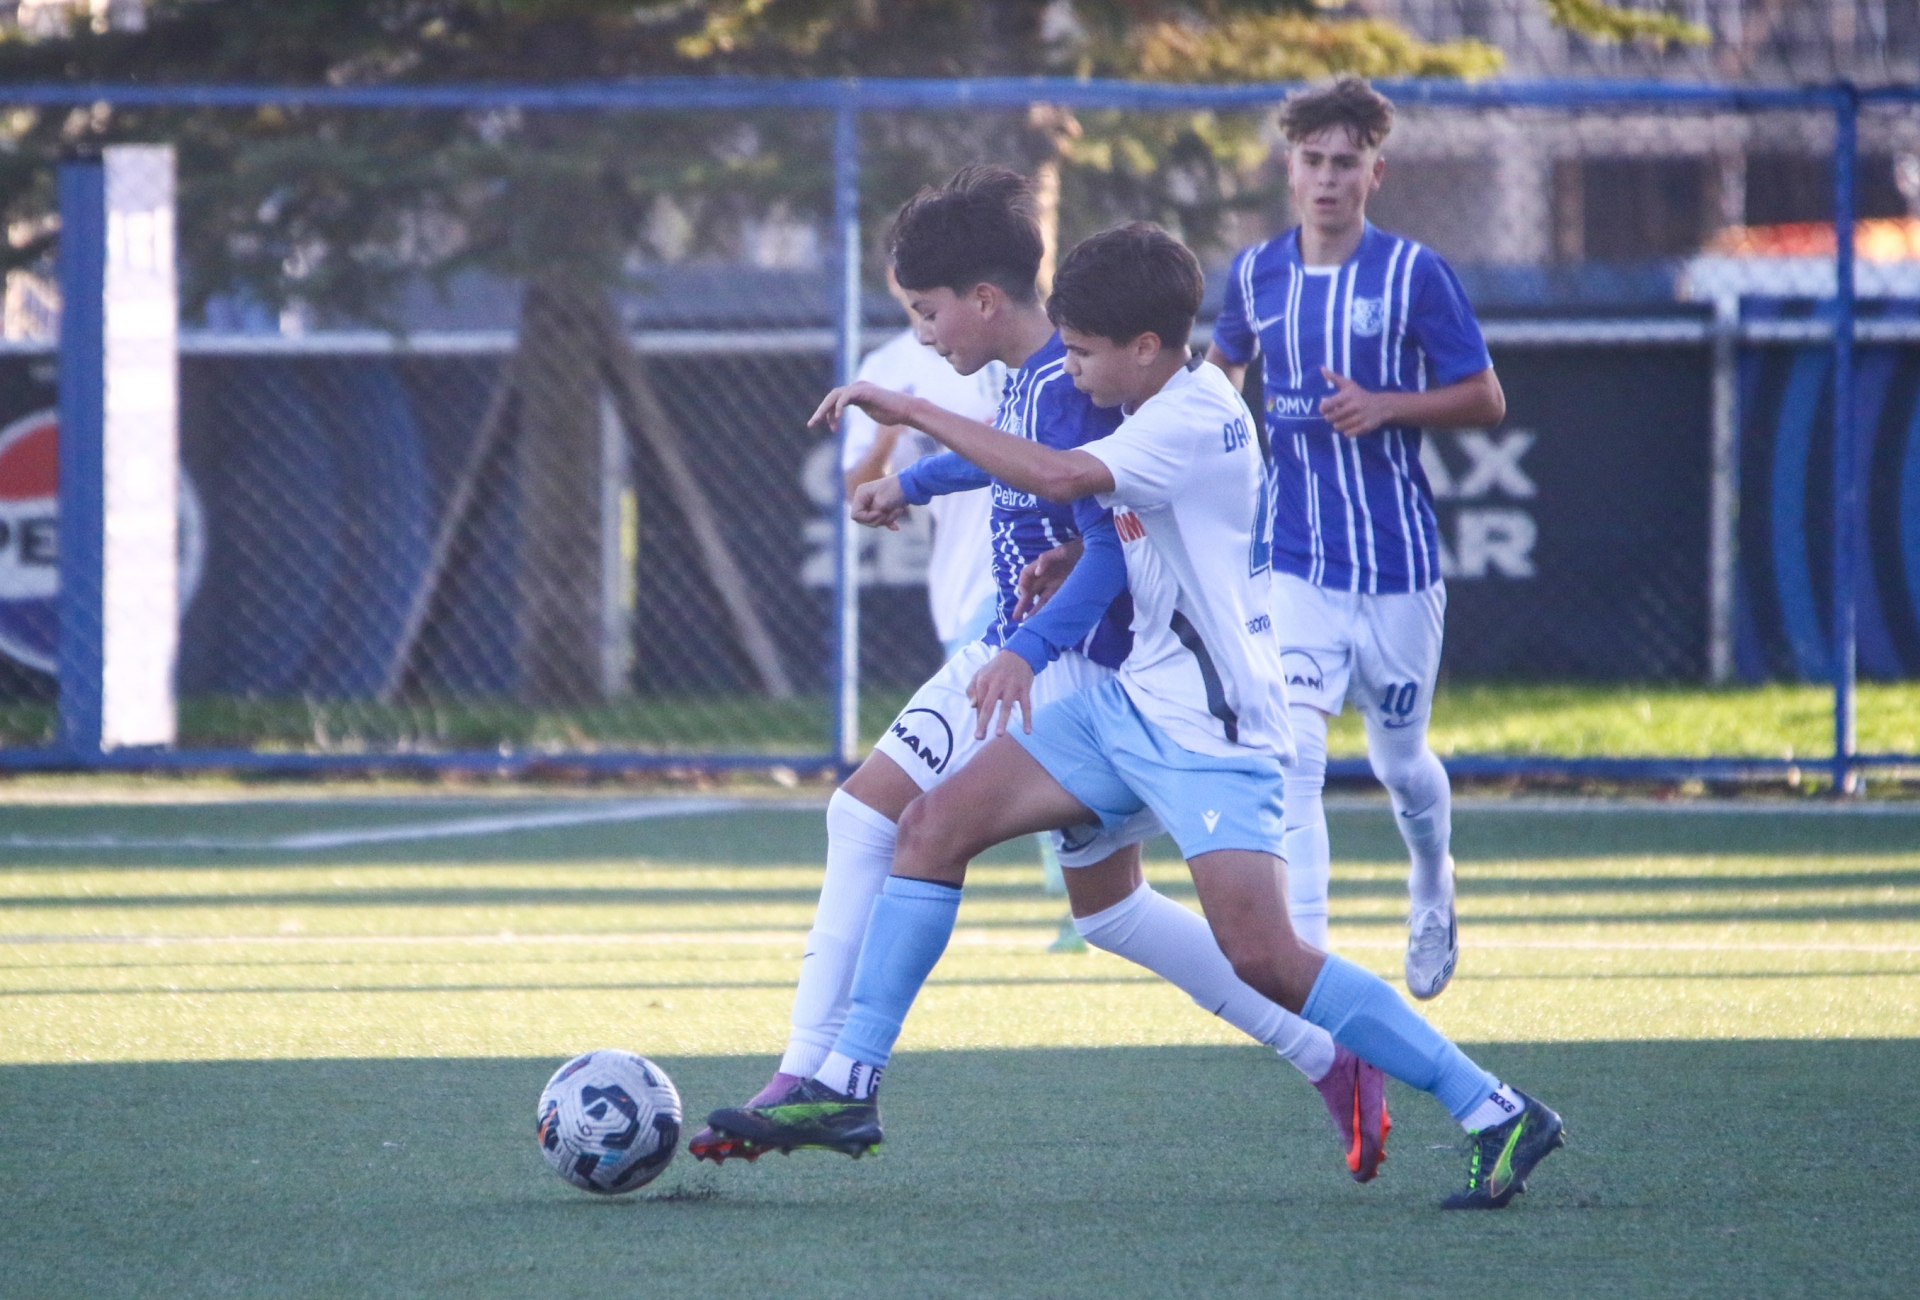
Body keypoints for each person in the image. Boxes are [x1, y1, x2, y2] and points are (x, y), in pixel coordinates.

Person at [712, 223, 1564, 1210]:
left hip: (1213, 729)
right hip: (1127, 704)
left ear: (1147, 347)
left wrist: (908, 412)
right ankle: (847, 1083)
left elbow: (1058, 474)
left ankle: (1494, 1106)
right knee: (930, 827)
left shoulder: (1190, 416)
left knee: (1268, 956)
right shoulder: (1151, 401)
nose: (1069, 367)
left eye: (1082, 351)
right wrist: (1068, 556)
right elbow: (1122, 514)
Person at [1206, 77, 1507, 1000]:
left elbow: (1486, 398)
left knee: (1399, 764)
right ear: (1289, 170)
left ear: (1377, 173)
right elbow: (1220, 379)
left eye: (1347, 163)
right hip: (1297, 562)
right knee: (1294, 757)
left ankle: (1432, 882)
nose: (1329, 178)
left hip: (1398, 565)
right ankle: (1314, 972)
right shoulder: (1255, 275)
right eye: (1314, 161)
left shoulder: (1415, 274)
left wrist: (1388, 406)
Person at [842, 271, 1002, 658]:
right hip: (960, 581)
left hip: (1023, 572)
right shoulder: (885, 368)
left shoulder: (1004, 349)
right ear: (893, 278)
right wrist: (886, 441)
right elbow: (860, 494)